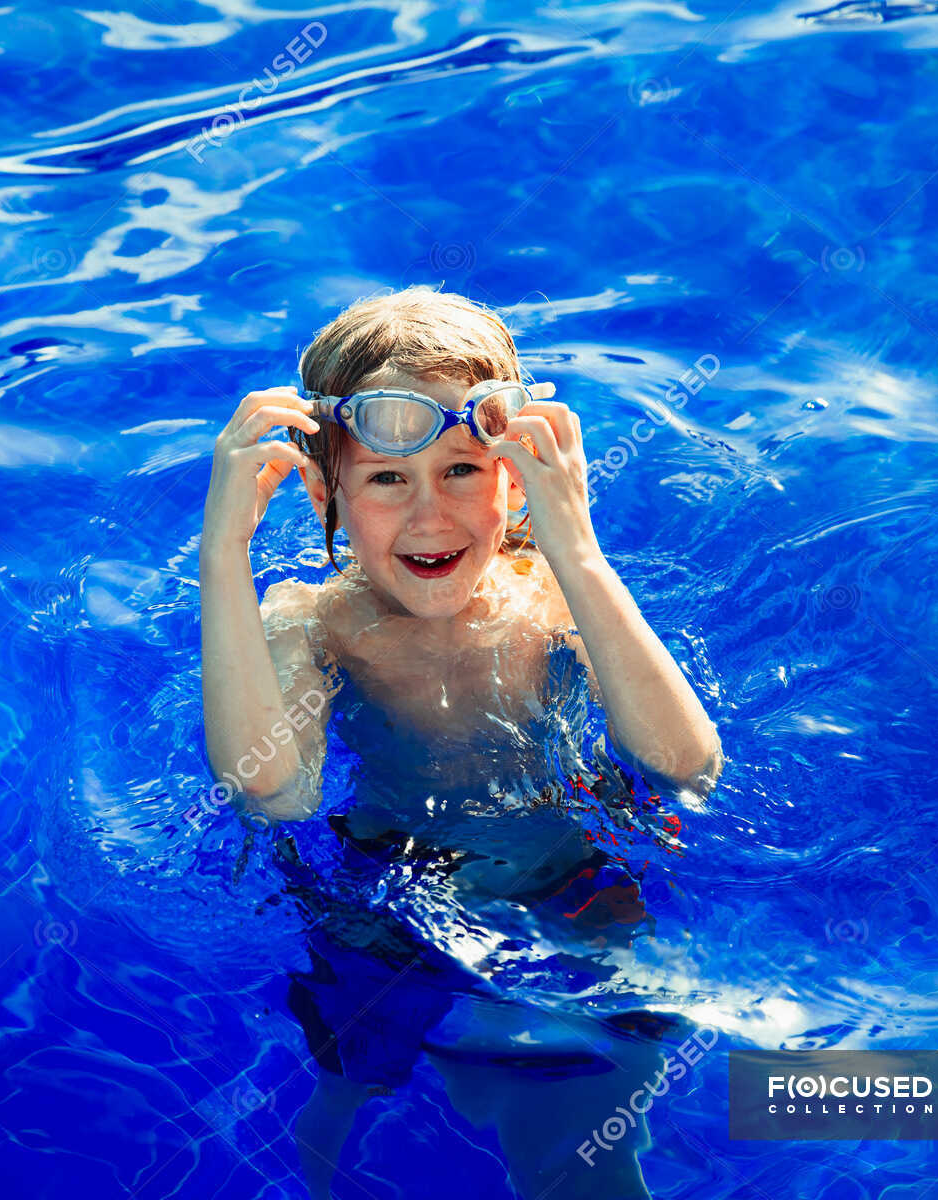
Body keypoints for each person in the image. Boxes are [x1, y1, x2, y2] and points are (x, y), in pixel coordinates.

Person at [198, 285, 722, 1198]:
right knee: (343, 1097)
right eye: (388, 479)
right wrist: (223, 556)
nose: (430, 516)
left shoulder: (556, 597)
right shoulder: (313, 624)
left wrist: (579, 550)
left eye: (463, 472)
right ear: (326, 490)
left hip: (572, 877)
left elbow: (686, 767)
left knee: (610, 1097)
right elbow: (273, 791)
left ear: (515, 475)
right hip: (387, 893)